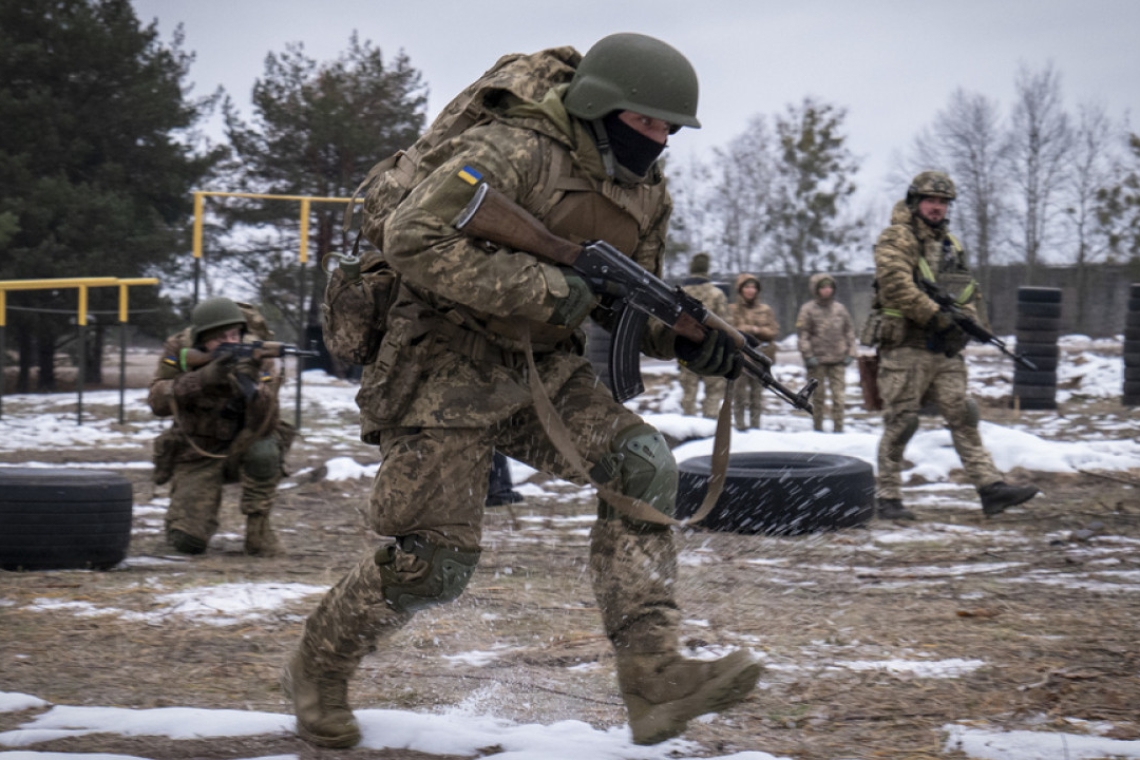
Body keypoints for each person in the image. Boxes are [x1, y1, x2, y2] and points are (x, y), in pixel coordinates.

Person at [281, 33, 759, 749]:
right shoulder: (517, 150)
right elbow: (413, 235)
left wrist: (691, 339)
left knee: (643, 463)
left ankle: (655, 678)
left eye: (669, 128)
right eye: (647, 122)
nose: (659, 140)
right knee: (435, 567)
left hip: (542, 369)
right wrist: (548, 287)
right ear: (604, 107)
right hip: (439, 364)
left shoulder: (645, 193)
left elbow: (624, 305)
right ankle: (319, 668)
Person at [871, 171, 1039, 520]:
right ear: (916, 201)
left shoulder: (951, 245)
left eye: (943, 202)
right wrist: (937, 316)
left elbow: (965, 291)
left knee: (964, 415)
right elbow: (896, 286)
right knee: (902, 422)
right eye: (931, 200)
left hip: (943, 350)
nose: (937, 208)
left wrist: (972, 326)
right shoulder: (896, 237)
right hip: (905, 348)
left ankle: (990, 488)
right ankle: (887, 497)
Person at [147, 297, 291, 556]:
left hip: (241, 446)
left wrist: (253, 388)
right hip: (197, 451)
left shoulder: (258, 354)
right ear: (202, 339)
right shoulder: (180, 347)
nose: (230, 342)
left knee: (266, 449)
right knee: (187, 543)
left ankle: (259, 530)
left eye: (234, 334)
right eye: (220, 337)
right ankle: (182, 521)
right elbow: (157, 401)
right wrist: (201, 378)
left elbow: (268, 422)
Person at [795, 273, 857, 433]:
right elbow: (803, 335)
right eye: (823, 287)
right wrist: (808, 355)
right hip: (818, 362)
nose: (827, 290)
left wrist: (851, 352)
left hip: (838, 360)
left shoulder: (840, 309)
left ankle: (839, 429)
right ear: (816, 289)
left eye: (829, 287)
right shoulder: (808, 310)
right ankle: (818, 429)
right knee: (818, 398)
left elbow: (849, 330)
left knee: (839, 398)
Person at [678, 253, 730, 418]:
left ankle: (688, 429)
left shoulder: (679, 293)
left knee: (688, 392)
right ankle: (709, 428)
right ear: (707, 270)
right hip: (711, 349)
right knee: (714, 391)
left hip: (685, 348)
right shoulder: (717, 294)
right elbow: (724, 324)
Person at [728, 273, 779, 430]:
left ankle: (756, 427)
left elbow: (773, 332)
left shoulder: (765, 310)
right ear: (740, 290)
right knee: (739, 395)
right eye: (747, 287)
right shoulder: (733, 309)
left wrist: (756, 329)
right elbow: (730, 330)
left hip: (760, 358)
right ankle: (740, 426)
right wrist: (749, 330)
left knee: (757, 395)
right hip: (740, 359)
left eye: (753, 287)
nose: (751, 290)